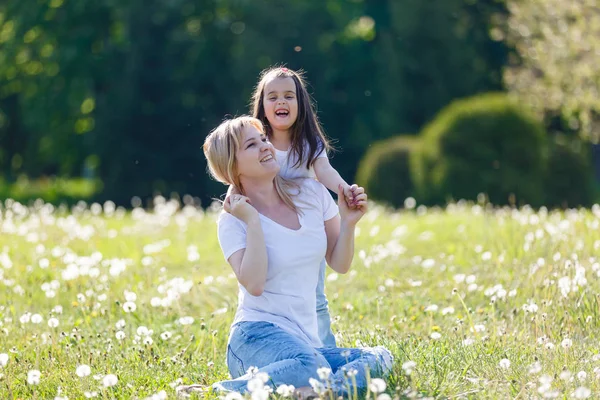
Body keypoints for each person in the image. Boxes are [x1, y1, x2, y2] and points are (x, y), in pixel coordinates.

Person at [181, 116, 392, 397]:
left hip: (306, 344)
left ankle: (314, 393)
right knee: (314, 366)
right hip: (255, 337)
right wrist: (253, 222)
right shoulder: (233, 221)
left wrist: (349, 222)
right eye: (252, 145)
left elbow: (339, 263)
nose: (266, 146)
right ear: (233, 166)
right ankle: (218, 392)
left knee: (380, 357)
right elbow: (254, 284)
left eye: (264, 140)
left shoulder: (312, 193)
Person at [228, 66, 358, 348]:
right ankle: (277, 342)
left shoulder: (308, 143)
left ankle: (323, 349)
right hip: (271, 229)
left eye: (289, 96)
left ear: (301, 105)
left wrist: (343, 189)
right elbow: (239, 173)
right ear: (262, 105)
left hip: (305, 231)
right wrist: (233, 198)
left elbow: (324, 171)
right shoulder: (259, 143)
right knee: (271, 287)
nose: (281, 102)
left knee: (315, 297)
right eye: (272, 97)